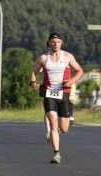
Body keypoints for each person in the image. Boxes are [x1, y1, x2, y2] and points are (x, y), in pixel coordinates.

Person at [30, 32, 84, 164]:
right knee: (53, 123)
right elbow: (33, 72)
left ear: (61, 43)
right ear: (49, 43)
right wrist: (33, 82)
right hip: (49, 94)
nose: (56, 44)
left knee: (64, 129)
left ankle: (58, 131)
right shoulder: (43, 58)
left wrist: (71, 81)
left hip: (63, 93)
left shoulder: (67, 56)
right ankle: (56, 154)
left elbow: (80, 71)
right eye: (53, 42)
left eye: (58, 42)